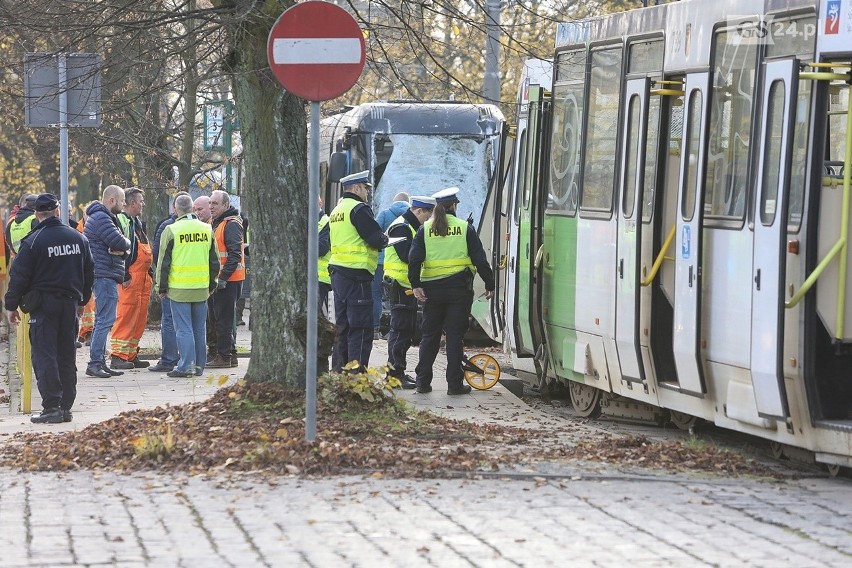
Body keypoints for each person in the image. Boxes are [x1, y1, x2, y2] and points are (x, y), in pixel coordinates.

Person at [4, 193, 94, 423]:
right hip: (70, 305)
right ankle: (65, 407)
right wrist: (82, 300)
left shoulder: (33, 241)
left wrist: (11, 306)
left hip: (44, 307)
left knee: (45, 356)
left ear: (36, 214)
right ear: (57, 211)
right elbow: (88, 272)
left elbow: (19, 277)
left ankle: (52, 407)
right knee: (66, 354)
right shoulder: (78, 238)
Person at [409, 187, 495, 395]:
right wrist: (490, 284)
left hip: (432, 292)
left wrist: (416, 284)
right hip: (459, 291)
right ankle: (454, 385)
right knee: (455, 338)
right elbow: (479, 259)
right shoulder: (465, 228)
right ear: (454, 205)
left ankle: (423, 383)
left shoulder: (425, 229)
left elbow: (414, 259)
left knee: (429, 336)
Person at [328, 170, 388, 372]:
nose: (367, 193)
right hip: (357, 276)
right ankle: (356, 376)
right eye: (365, 188)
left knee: (342, 326)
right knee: (361, 328)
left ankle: (338, 372)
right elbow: (374, 237)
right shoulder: (359, 209)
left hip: (338, 274)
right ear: (356, 188)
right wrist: (385, 240)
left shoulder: (337, 210)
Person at [155, 194, 219, 378]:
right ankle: (199, 366)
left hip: (179, 289)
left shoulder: (171, 230)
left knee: (183, 328)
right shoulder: (207, 229)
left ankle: (186, 366)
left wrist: (161, 287)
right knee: (199, 328)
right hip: (201, 288)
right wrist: (212, 283)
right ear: (192, 208)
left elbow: (163, 263)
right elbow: (214, 261)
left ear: (176, 209)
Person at [383, 195, 435, 389]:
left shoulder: (410, 226)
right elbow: (406, 256)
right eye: (427, 216)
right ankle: (394, 374)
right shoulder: (401, 227)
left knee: (405, 329)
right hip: (398, 285)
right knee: (400, 329)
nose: (428, 220)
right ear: (419, 211)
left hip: (406, 286)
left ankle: (399, 371)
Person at [84, 185, 131, 378]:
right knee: (105, 320)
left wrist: (123, 248)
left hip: (104, 273)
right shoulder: (102, 218)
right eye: (121, 201)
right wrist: (125, 246)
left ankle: (100, 362)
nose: (123, 204)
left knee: (104, 320)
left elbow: (120, 244)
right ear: (112, 200)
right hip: (104, 275)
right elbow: (122, 242)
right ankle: (95, 363)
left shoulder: (101, 217)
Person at [110, 187, 154, 369]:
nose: (143, 204)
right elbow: (120, 250)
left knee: (139, 317)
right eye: (141, 201)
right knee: (126, 315)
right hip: (130, 277)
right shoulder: (122, 221)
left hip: (142, 277)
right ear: (132, 203)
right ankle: (118, 356)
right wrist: (125, 273)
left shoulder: (135, 222)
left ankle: (130, 353)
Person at [148, 191, 191, 373]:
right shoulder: (199, 227)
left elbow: (159, 255)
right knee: (189, 323)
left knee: (169, 320)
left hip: (172, 282)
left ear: (175, 207)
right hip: (194, 283)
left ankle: (168, 359)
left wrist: (161, 284)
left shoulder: (167, 226)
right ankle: (189, 359)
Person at [206, 190, 244, 368]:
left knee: (223, 320)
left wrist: (223, 278)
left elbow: (234, 254)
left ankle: (224, 357)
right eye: (210, 203)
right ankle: (231, 355)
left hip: (228, 281)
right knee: (218, 319)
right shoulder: (217, 223)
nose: (211, 206)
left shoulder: (231, 224)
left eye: (215, 203)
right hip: (221, 280)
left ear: (225, 205)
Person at [372, 192, 410, 339]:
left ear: (394, 202)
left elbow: (374, 233)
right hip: (401, 264)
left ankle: (375, 329)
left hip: (381, 261)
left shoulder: (385, 214)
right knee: (396, 299)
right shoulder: (410, 217)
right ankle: (394, 331)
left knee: (376, 295)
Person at [318, 196, 331, 317]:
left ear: (320, 204)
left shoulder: (326, 222)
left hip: (322, 278)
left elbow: (321, 248)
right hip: (308, 277)